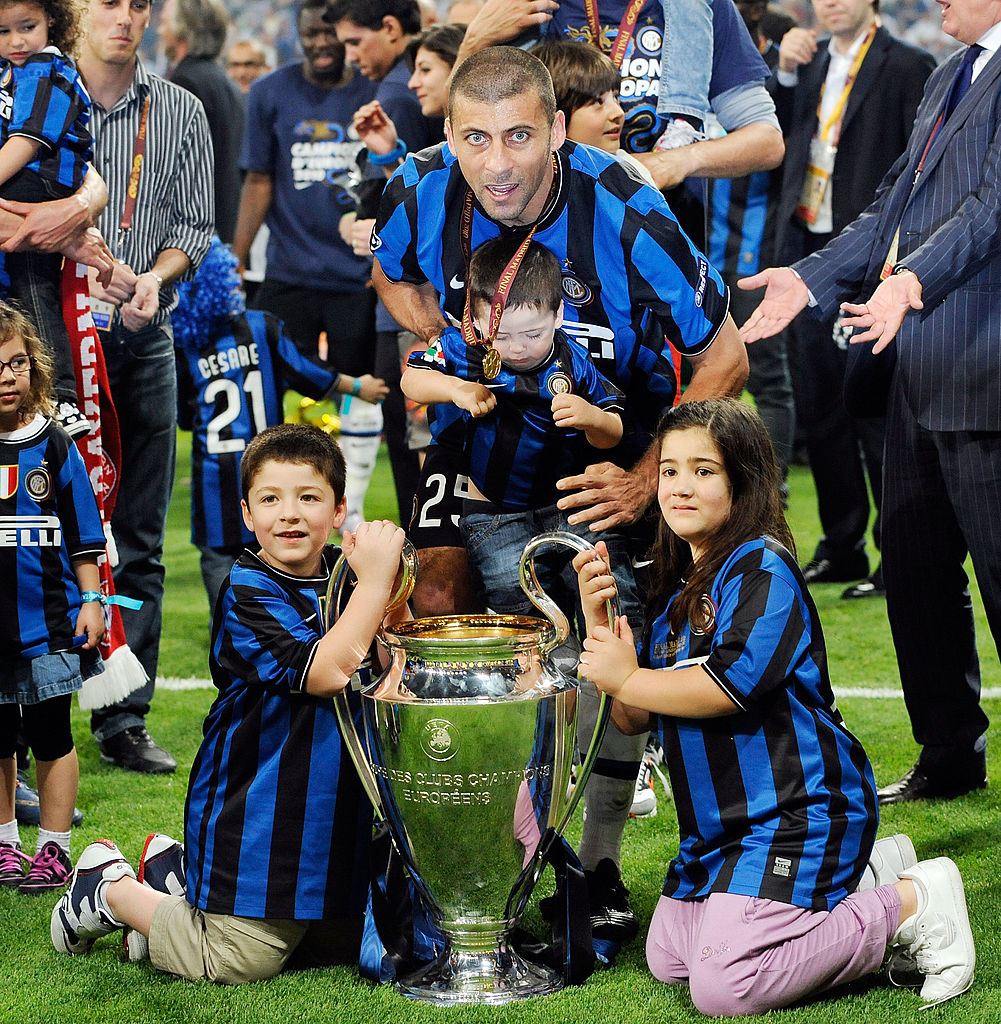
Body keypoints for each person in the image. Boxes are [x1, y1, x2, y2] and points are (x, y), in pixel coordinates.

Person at [372, 45, 746, 948]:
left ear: (556, 134)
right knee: (435, 603)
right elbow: (388, 273)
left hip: (605, 446)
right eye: (475, 139)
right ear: (449, 135)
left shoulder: (625, 206)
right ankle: (472, 852)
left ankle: (601, 867)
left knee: (620, 665)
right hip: (483, 442)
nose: (497, 163)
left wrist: (646, 476)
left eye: (518, 137)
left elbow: (726, 356)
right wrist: (434, 330)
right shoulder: (417, 187)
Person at [573, 398, 976, 1014]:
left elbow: (728, 686)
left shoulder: (763, 566)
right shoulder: (677, 591)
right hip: (721, 831)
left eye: (704, 471)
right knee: (670, 958)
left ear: (744, 481)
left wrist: (628, 678)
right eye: (670, 470)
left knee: (725, 985)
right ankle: (867, 876)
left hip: (797, 812)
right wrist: (600, 626)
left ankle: (914, 901)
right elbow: (635, 717)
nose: (680, 487)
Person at [738, 0, 1001, 805]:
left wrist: (910, 280)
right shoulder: (952, 73)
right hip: (913, 364)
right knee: (916, 575)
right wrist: (809, 276)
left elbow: (991, 207)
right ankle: (947, 755)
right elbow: (892, 202)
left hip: (985, 368)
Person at [51, 424, 409, 984]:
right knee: (241, 959)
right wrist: (377, 583)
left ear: (340, 510)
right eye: (270, 499)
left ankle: (171, 874)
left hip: (334, 815)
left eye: (309, 498)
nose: (289, 515)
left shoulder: (348, 577)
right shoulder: (248, 588)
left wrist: (394, 597)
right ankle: (108, 889)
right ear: (246, 513)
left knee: (348, 944)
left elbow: (393, 665)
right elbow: (327, 671)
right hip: (260, 812)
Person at [78, 0, 214, 774]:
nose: (124, 17)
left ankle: (123, 717)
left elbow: (194, 226)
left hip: (142, 336)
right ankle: (21, 724)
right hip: (46, 339)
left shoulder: (181, 110)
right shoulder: (34, 101)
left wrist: (156, 279)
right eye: (109, 2)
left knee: (139, 544)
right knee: (24, 534)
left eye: (138, 3)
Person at [772, 0, 934, 598]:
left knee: (876, 416)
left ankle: (900, 554)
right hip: (806, 250)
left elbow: (922, 169)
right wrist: (783, 74)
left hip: (872, 259)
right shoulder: (806, 62)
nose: (831, 1)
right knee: (821, 408)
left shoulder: (909, 64)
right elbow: (776, 141)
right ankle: (841, 546)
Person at [402, 236, 623, 619]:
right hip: (494, 515)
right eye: (501, 336)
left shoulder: (573, 360)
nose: (517, 348)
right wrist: (456, 389)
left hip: (567, 508)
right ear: (474, 319)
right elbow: (412, 380)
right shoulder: (462, 348)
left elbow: (613, 431)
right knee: (518, 615)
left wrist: (591, 417)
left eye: (533, 334)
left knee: (607, 596)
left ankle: (603, 657)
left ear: (558, 315)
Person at [454, 0, 785, 250]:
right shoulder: (531, 6)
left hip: (661, 230)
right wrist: (473, 43)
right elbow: (460, 129)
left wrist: (673, 162)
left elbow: (767, 142)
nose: (616, 113)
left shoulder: (699, 8)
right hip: (548, 231)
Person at [173, 237, 387, 614]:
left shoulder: (184, 345)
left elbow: (186, 417)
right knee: (280, 573)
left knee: (223, 585)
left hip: (214, 485)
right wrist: (357, 386)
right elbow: (306, 372)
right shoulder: (262, 326)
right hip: (269, 472)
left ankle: (233, 648)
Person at [232, 0, 378, 534]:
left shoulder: (375, 88)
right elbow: (258, 179)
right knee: (270, 387)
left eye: (328, 34)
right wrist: (237, 256)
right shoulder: (269, 91)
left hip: (357, 277)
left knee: (363, 392)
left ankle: (348, 507)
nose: (319, 43)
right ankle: (269, 503)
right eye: (308, 33)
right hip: (288, 271)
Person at [0, 302, 105, 893]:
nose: (7, 376)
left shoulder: (54, 444)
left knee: (51, 735)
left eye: (17, 363)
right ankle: (5, 843)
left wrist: (92, 601)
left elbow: (85, 536)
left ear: (34, 367)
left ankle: (54, 849)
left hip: (50, 625)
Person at [326, 0, 438, 531]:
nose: (349, 56)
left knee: (422, 457)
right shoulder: (398, 93)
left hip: (416, 307)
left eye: (355, 41)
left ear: (391, 28)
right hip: (413, 302)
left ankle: (427, 569)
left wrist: (368, 224)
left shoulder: (395, 93)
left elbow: (400, 204)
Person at [705, 0, 795, 486]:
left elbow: (785, 146)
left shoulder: (781, 74)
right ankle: (719, 482)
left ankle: (771, 490)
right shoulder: (693, 72)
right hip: (700, 253)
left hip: (755, 256)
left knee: (766, 376)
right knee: (705, 375)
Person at [0, 0, 93, 439]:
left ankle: (61, 397)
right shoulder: (11, 71)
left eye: (27, 26)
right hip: (26, 185)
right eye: (3, 31)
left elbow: (27, 140)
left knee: (34, 287)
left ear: (52, 21)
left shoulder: (47, 67)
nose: (16, 40)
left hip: (38, 184)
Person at [157, 0, 244, 245]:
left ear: (181, 28)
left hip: (195, 236)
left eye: (164, 23)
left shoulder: (186, 83)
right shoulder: (221, 78)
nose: (159, 31)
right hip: (225, 224)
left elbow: (170, 168)